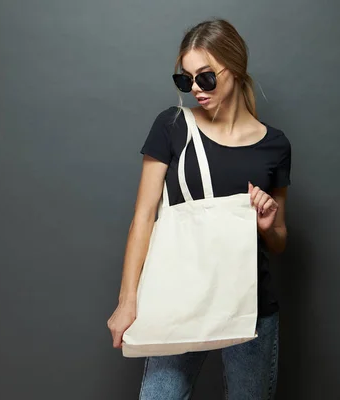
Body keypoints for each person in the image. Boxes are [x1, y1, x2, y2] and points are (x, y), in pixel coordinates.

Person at [107, 18, 291, 400]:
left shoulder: (275, 145)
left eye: (204, 78)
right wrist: (128, 302)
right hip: (180, 297)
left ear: (235, 69)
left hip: (250, 305)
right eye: (185, 79)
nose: (194, 89)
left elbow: (278, 241)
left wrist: (268, 224)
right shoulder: (173, 125)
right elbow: (143, 217)